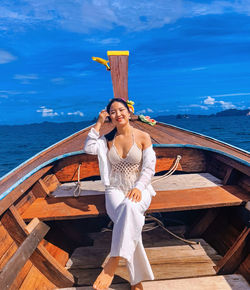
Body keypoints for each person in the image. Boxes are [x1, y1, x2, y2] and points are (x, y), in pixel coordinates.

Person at [83, 98, 157, 290]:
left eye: (121, 110)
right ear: (110, 117)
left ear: (129, 112)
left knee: (129, 209)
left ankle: (113, 261)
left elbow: (149, 169)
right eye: (113, 112)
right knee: (130, 218)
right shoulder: (106, 140)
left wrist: (139, 187)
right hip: (115, 189)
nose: (118, 114)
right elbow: (88, 148)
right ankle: (136, 279)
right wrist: (98, 123)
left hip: (140, 188)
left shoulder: (143, 136)